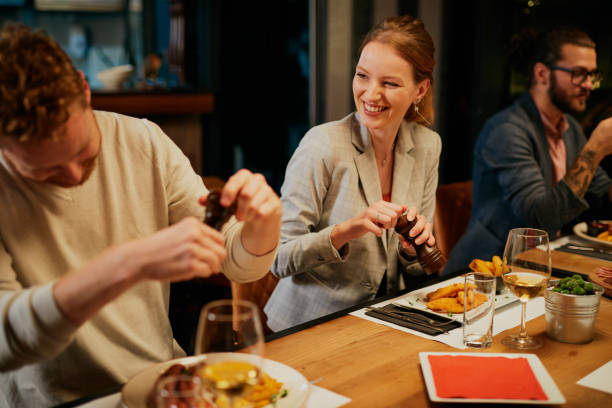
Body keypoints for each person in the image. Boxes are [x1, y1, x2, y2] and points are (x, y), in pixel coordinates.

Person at [0, 24, 282, 406]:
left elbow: (236, 261)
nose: (73, 176)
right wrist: (127, 263)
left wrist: (261, 226)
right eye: (45, 172)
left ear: (84, 90)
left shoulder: (144, 142)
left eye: (82, 151)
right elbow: (6, 339)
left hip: (161, 387)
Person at [264, 15, 441, 331]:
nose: (370, 95)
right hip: (308, 326)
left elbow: (414, 272)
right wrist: (347, 230)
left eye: (389, 83)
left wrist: (411, 252)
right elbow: (279, 258)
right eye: (363, 76)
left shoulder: (428, 146)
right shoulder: (322, 145)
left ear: (420, 89)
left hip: (383, 323)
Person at [445, 27, 612, 274]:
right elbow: (538, 222)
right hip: (487, 275)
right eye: (579, 74)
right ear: (542, 74)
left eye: (591, 74)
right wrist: (596, 148)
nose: (589, 84)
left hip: (539, 267)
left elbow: (601, 194)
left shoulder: (570, 128)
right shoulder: (507, 130)